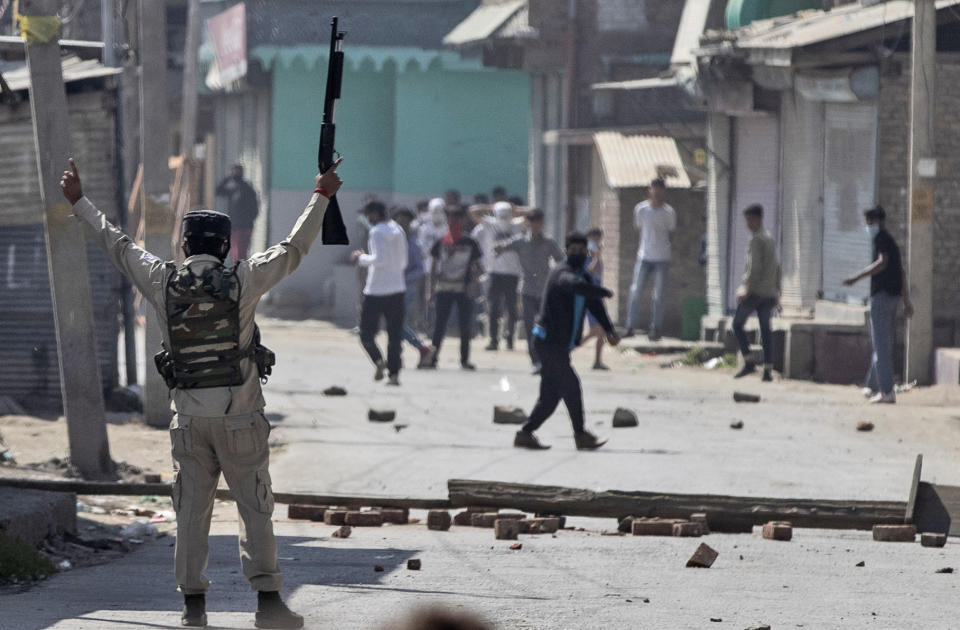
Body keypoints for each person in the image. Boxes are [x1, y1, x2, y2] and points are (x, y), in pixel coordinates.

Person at [61, 156, 343, 629]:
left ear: (185, 244)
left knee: (191, 513)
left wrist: (80, 202)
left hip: (188, 422)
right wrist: (321, 195)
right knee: (255, 507)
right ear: (226, 244)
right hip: (241, 418)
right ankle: (269, 602)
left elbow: (117, 244)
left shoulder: (161, 279)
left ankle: (193, 605)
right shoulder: (244, 280)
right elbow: (294, 248)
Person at [513, 232, 620, 451]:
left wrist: (609, 329)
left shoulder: (584, 276)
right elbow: (571, 285)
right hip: (548, 343)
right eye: (574, 251)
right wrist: (602, 290)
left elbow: (594, 304)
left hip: (559, 345)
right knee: (571, 386)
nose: (579, 255)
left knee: (550, 398)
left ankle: (525, 433)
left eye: (583, 251)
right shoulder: (561, 272)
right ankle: (581, 435)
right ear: (566, 251)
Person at [843, 205, 913, 404]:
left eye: (870, 222)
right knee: (883, 343)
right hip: (893, 298)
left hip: (882, 298)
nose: (868, 226)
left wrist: (856, 277)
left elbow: (882, 263)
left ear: (878, 222)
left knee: (881, 345)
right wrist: (906, 301)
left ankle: (887, 392)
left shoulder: (881, 239)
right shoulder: (890, 241)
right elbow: (901, 274)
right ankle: (872, 385)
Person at [496, 208, 564, 373]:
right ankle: (535, 361)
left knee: (544, 326)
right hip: (526, 290)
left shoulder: (549, 243)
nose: (535, 227)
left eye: (538, 223)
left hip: (544, 291)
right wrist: (498, 248)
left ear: (542, 224)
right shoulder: (520, 241)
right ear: (527, 224)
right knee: (529, 327)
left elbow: (561, 260)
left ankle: (546, 357)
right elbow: (504, 247)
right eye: (532, 223)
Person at [351, 201, 408, 386]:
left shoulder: (376, 232)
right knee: (394, 335)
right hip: (397, 288)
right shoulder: (398, 230)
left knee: (366, 334)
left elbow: (380, 259)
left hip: (376, 290)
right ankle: (394, 375)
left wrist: (361, 258)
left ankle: (378, 360)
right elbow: (403, 261)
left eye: (369, 214)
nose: (368, 218)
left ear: (375, 214)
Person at [426, 207, 484, 370]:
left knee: (465, 326)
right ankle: (433, 358)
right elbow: (433, 267)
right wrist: (430, 290)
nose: (454, 222)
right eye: (451, 218)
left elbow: (479, 267)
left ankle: (464, 360)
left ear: (463, 221)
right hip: (443, 289)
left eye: (457, 219)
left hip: (463, 290)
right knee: (439, 325)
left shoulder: (470, 242)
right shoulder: (441, 242)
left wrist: (473, 284)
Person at [732, 205, 781, 382]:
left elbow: (754, 268)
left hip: (756, 292)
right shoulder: (768, 238)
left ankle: (749, 362)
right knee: (765, 330)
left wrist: (747, 289)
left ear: (758, 219)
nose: (747, 223)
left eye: (750, 219)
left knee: (737, 324)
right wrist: (776, 290)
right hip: (768, 292)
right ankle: (767, 370)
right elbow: (776, 267)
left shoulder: (756, 239)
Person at [626, 178, 676, 340]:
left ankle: (656, 328)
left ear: (663, 192)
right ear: (650, 190)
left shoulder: (668, 212)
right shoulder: (641, 210)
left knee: (659, 294)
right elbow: (639, 230)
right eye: (654, 190)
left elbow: (671, 234)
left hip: (662, 258)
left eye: (660, 190)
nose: (656, 193)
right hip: (644, 256)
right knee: (635, 291)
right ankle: (630, 326)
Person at [471, 201, 525, 351]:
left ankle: (509, 338)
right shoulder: (490, 224)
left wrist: (515, 209)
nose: (504, 218)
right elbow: (472, 212)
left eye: (506, 215)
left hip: (512, 273)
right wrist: (490, 207)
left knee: (511, 309)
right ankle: (494, 339)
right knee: (493, 308)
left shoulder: (516, 224)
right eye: (501, 215)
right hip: (494, 272)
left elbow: (533, 213)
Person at [392, 206, 435, 367]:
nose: (402, 225)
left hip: (406, 289)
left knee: (397, 323)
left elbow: (420, 269)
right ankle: (400, 354)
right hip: (390, 287)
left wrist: (404, 277)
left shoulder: (412, 244)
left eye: (405, 222)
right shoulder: (391, 240)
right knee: (395, 323)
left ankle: (420, 347)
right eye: (399, 221)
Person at [215, 163, 259, 263]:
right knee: (234, 254)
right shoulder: (233, 189)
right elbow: (218, 191)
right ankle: (236, 274)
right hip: (233, 227)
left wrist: (248, 222)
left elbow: (254, 208)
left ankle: (241, 274)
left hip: (244, 227)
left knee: (241, 254)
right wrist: (228, 178)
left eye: (237, 171)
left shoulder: (247, 189)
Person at [581, 227, 610, 371]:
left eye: (598, 239)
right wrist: (597, 257)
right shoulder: (585, 256)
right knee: (595, 331)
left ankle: (598, 361)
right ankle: (567, 351)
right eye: (593, 239)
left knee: (602, 330)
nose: (596, 242)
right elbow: (588, 273)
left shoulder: (596, 256)